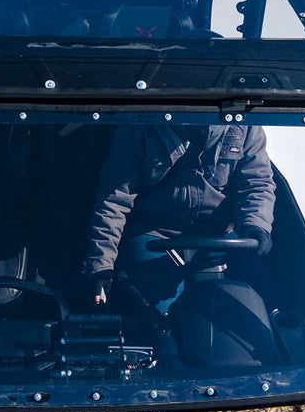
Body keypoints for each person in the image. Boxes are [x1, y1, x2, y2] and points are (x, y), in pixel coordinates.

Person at [84, 123, 276, 307]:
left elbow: (256, 184)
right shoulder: (141, 125)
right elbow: (115, 199)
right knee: (158, 310)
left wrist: (255, 226)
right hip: (155, 234)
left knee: (257, 297)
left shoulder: (244, 125)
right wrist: (102, 267)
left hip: (221, 235)